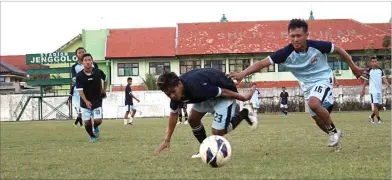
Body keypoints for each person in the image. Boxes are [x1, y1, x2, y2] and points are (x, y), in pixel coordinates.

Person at [230, 19, 364, 148]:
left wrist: (353, 67)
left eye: (299, 35)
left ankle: (333, 132)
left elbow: (339, 50)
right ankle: (334, 133)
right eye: (292, 36)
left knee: (313, 103)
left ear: (306, 35)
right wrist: (242, 74)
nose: (295, 39)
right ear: (289, 36)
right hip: (307, 86)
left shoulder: (318, 46)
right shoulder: (285, 53)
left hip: (323, 78)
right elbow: (261, 64)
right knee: (317, 119)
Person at [154, 68, 258, 158]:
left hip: (225, 94)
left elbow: (223, 91)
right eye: (168, 94)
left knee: (217, 132)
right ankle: (207, 149)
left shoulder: (197, 86)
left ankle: (245, 112)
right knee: (193, 120)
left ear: (179, 84)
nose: (172, 96)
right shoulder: (176, 95)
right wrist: (167, 139)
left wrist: (244, 98)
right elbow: (173, 115)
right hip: (208, 95)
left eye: (173, 92)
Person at [75, 53, 107, 143]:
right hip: (85, 102)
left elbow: (106, 79)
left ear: (92, 61)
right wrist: (85, 101)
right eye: (85, 60)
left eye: (89, 60)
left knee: (98, 120)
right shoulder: (79, 76)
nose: (88, 62)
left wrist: (104, 90)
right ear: (82, 63)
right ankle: (92, 136)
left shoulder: (98, 72)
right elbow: (80, 91)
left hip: (97, 100)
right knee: (87, 122)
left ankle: (96, 126)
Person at [70, 47, 99, 127]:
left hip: (92, 90)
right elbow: (75, 79)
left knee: (94, 109)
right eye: (79, 52)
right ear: (76, 55)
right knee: (83, 109)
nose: (81, 53)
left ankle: (95, 125)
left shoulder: (93, 64)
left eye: (83, 52)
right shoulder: (74, 67)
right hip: (79, 90)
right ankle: (81, 117)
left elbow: (97, 75)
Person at [360, 56, 390, 123]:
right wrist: (363, 90)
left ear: (377, 62)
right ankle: (379, 119)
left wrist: (387, 83)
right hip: (373, 90)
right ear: (371, 62)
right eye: (373, 61)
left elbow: (383, 78)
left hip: (379, 90)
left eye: (375, 61)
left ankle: (371, 116)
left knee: (379, 106)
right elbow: (366, 81)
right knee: (375, 104)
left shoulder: (380, 70)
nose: (374, 63)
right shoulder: (369, 71)